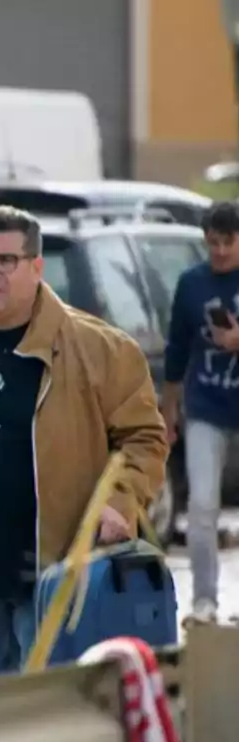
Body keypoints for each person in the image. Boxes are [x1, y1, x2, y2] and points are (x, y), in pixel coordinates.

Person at [0, 205, 168, 682]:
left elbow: (145, 438)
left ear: (36, 266)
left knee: (51, 714)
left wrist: (120, 502)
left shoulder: (100, 348)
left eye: (5, 260)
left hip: (54, 572)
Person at [162, 201, 239, 625]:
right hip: (206, 406)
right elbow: (176, 351)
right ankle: (205, 600)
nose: (221, 252)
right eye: (213, 244)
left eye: (228, 243)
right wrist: (168, 411)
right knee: (204, 504)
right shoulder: (192, 285)